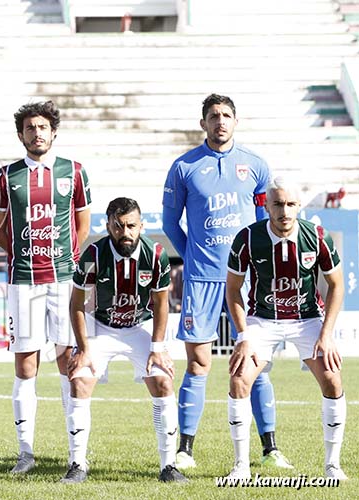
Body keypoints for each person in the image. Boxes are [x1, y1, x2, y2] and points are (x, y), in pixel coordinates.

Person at [162, 93, 291, 469]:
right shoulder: (184, 167)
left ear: (236, 121)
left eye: (227, 115)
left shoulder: (255, 166)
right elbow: (171, 223)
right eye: (214, 116)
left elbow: (263, 223)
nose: (220, 121)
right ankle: (185, 450)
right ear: (203, 123)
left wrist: (256, 264)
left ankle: (270, 449)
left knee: (256, 363)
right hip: (201, 280)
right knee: (198, 362)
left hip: (246, 282)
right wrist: (192, 258)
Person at [0, 101, 91, 474]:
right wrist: (25, 252)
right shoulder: (6, 176)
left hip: (64, 281)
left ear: (53, 132)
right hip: (23, 281)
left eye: (43, 127)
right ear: (21, 135)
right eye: (30, 128)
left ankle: (75, 453)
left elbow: (81, 224)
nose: (37, 133)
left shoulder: (74, 172)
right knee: (25, 363)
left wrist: (65, 259)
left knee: (68, 360)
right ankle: (25, 453)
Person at [224, 176, 346, 480]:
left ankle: (332, 466)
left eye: (291, 204)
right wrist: (243, 336)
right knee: (239, 380)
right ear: (267, 205)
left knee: (332, 380)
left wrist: (326, 334)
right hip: (262, 320)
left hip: (307, 319)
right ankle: (240, 467)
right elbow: (233, 290)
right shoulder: (247, 239)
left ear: (299, 206)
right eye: (278, 204)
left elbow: (336, 284)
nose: (285, 211)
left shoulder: (317, 237)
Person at [66, 197, 187, 484]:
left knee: (163, 380)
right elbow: (76, 305)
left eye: (131, 226)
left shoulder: (156, 255)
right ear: (108, 226)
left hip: (138, 327)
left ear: (141, 225)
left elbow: (160, 305)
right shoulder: (93, 255)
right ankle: (77, 464)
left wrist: (158, 348)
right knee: (80, 380)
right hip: (101, 326)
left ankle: (168, 465)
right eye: (118, 227)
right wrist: (83, 349)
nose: (126, 233)